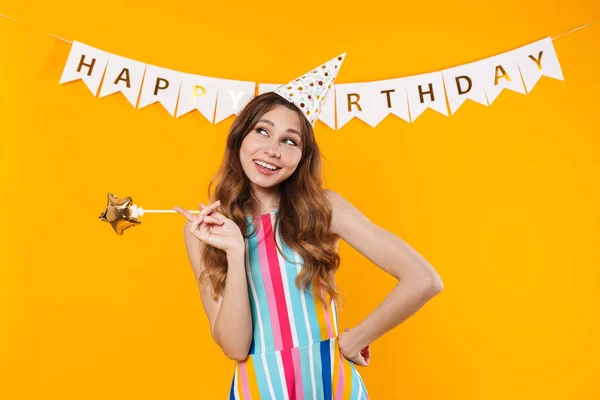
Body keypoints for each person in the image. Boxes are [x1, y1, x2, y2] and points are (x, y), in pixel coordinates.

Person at [174, 53, 443, 399]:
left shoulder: (322, 208)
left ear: (302, 156)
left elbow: (425, 279)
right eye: (262, 132)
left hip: (330, 384)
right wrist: (236, 250)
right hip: (259, 389)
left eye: (289, 141)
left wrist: (356, 339)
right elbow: (236, 347)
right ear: (240, 137)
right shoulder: (205, 229)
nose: (272, 150)